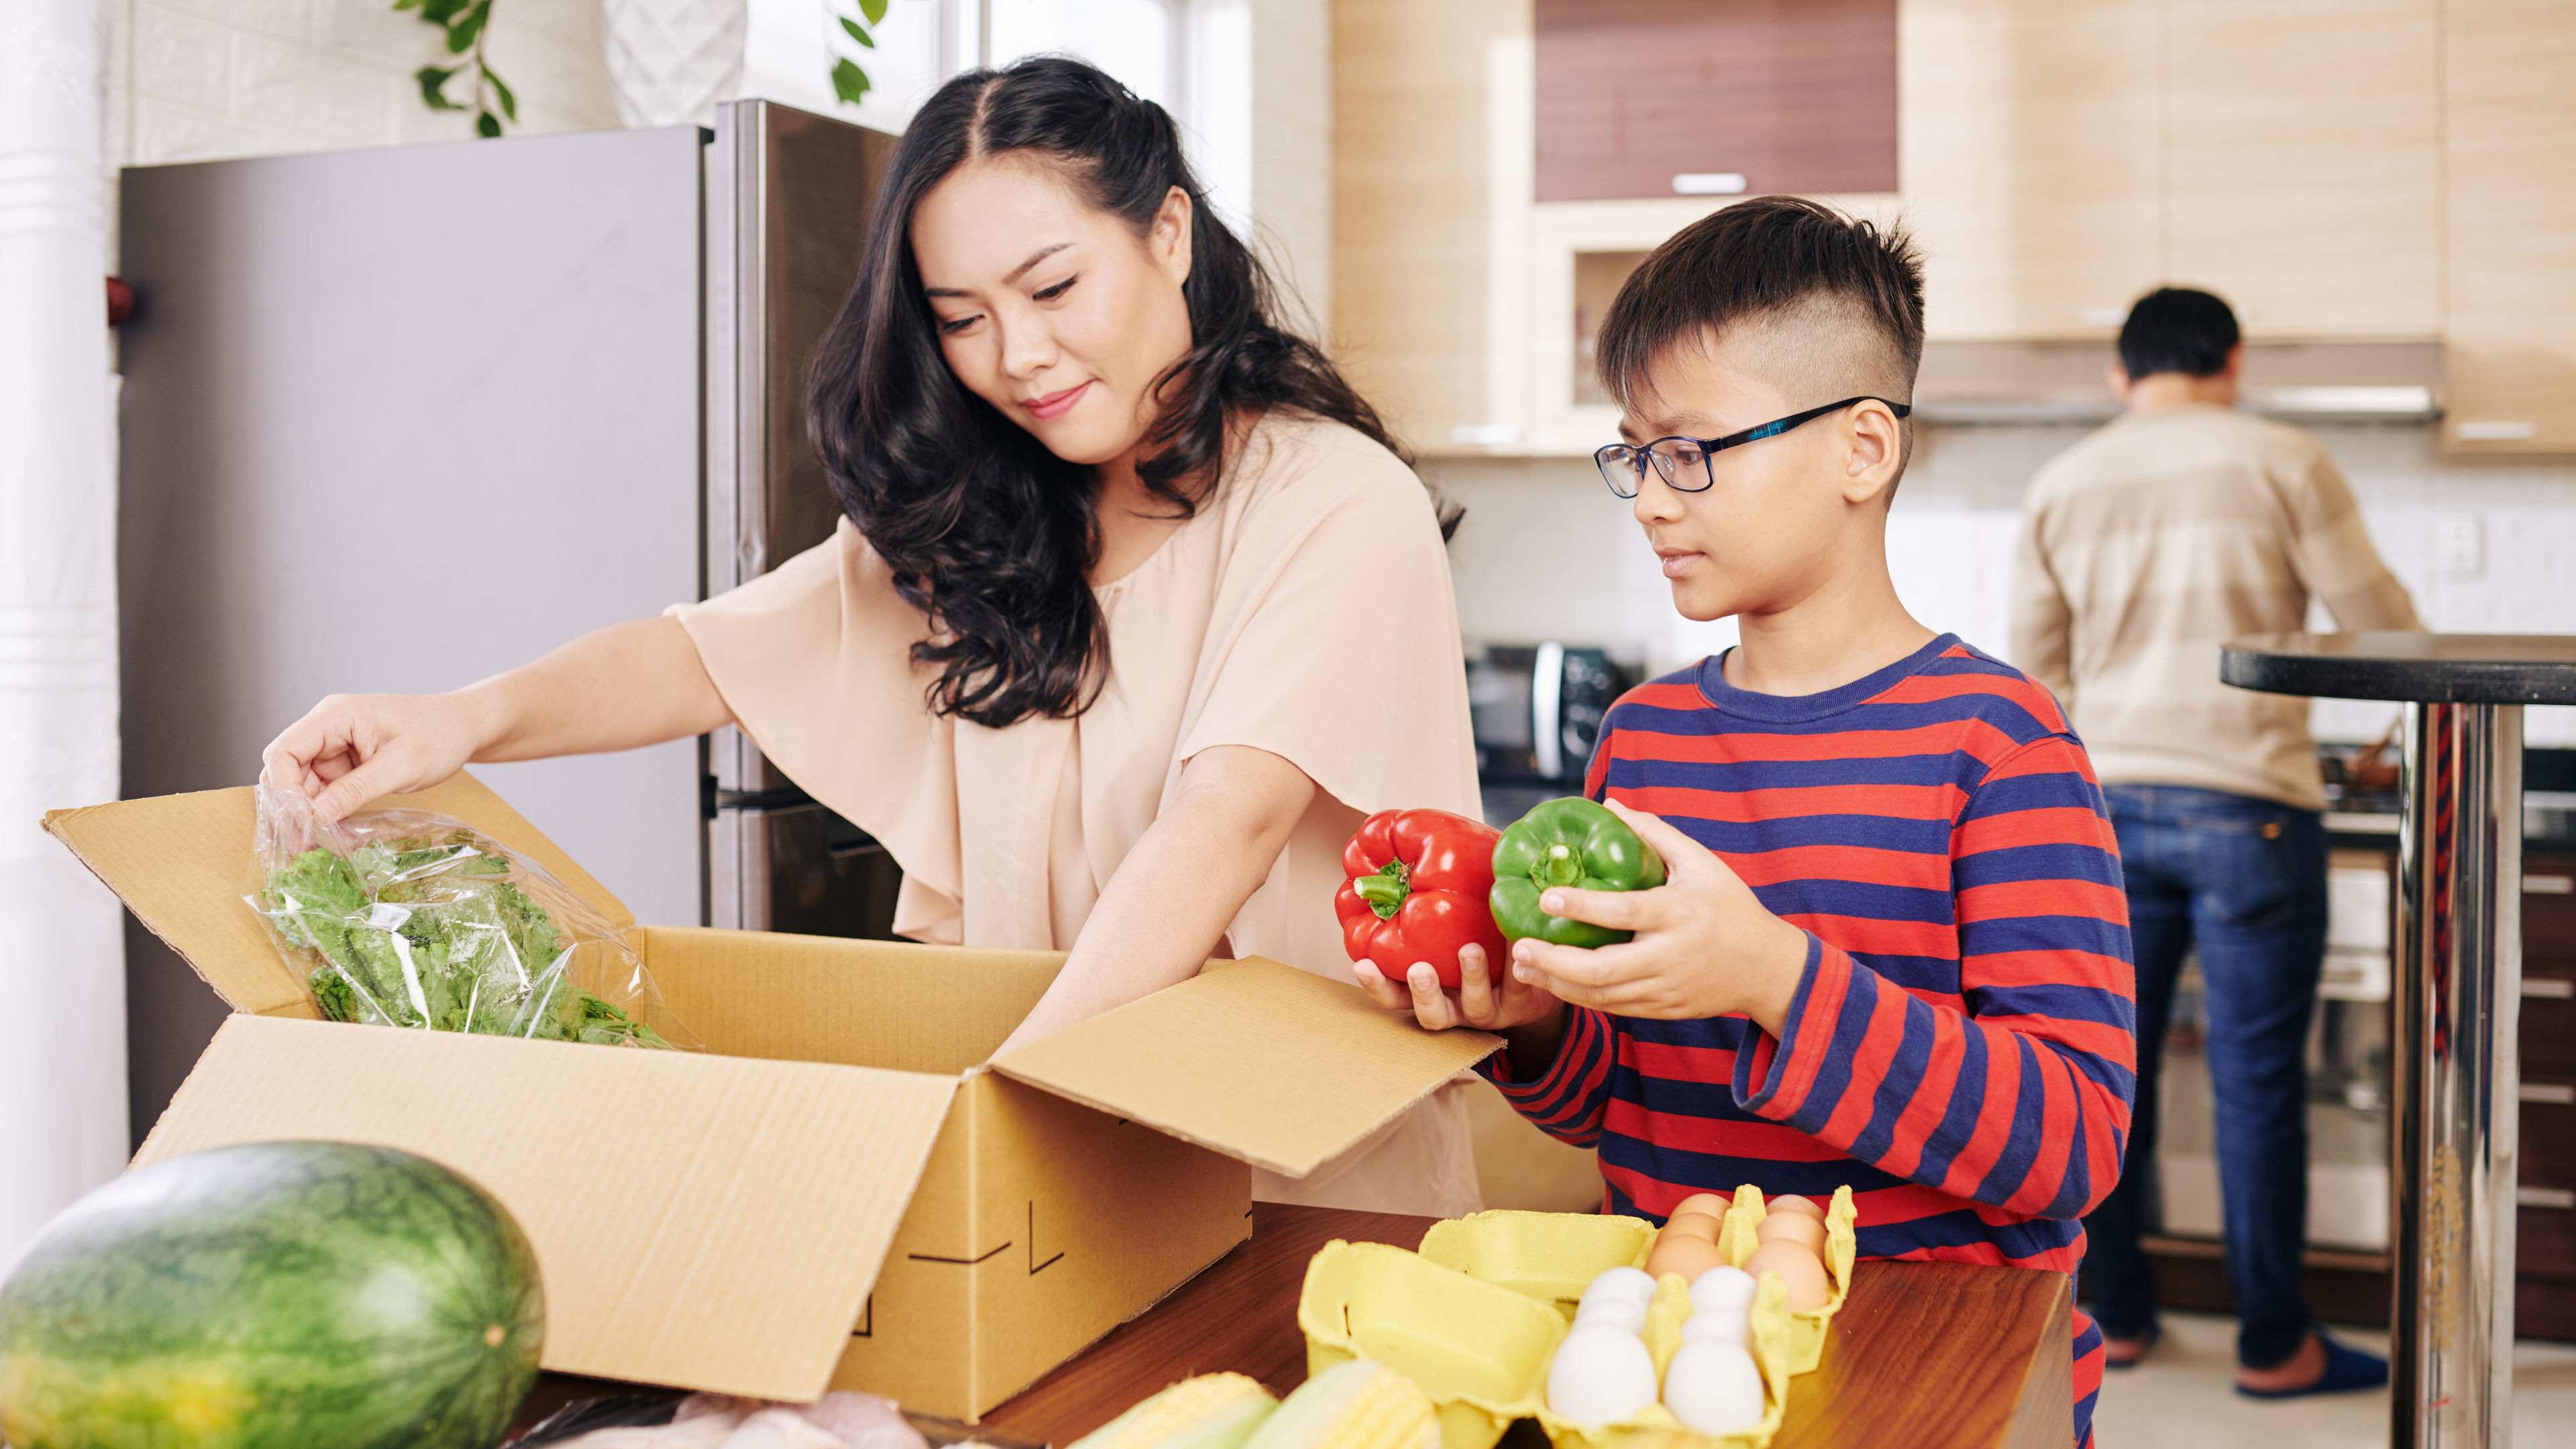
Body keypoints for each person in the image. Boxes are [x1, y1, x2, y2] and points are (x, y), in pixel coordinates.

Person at [259, 56, 1487, 1216]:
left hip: (1294, 1193)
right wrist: (458, 719)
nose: (1019, 356)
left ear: (1168, 233)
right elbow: (705, 655)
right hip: (1065, 1176)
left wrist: (996, 1110)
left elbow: (1230, 821)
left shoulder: (1331, 501)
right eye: (962, 318)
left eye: (1055, 288)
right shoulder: (996, 515)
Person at [1358, 197, 2136, 1448]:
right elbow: (1623, 1104)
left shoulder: (2000, 746)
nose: (1653, 499)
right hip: (1673, 1378)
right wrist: (1545, 1026)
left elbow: (2072, 1145)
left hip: (1944, 1375)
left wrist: (1776, 976)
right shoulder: (1645, 741)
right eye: (1634, 455)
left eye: (1693, 449)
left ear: (1862, 450)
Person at [2010, 286, 2417, 1395]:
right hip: (2253, 808)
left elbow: (2035, 676)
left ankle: (2121, 1318)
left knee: (2105, 1078)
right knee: (2256, 1088)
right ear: (2231, 361)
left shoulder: (2063, 481)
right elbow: (2383, 630)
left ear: (2120, 374)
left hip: (2103, 814)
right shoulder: (2283, 458)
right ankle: (2274, 1341)